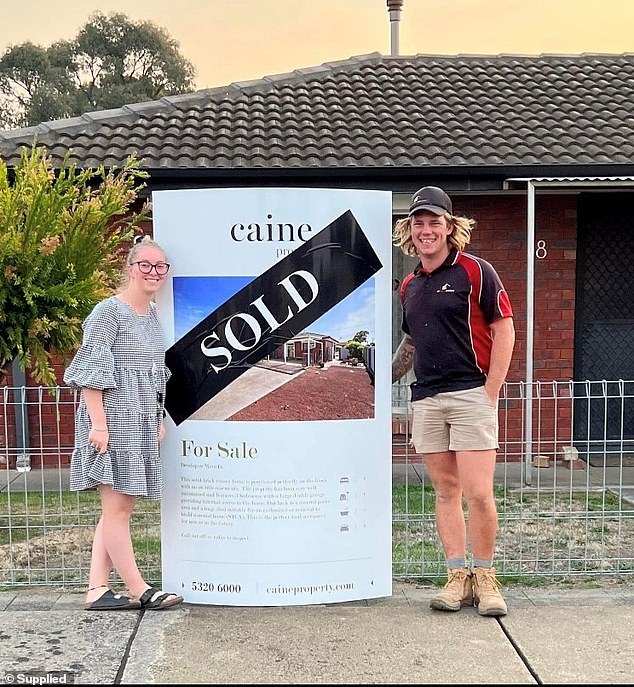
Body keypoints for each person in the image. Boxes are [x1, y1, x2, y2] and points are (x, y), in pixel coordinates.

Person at [392, 186, 515, 617]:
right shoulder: (409, 285)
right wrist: (377, 381)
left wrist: (491, 391)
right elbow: (411, 344)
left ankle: (486, 577)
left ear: (449, 227)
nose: (426, 230)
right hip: (427, 399)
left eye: (434, 222)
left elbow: (505, 330)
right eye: (418, 223)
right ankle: (456, 577)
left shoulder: (476, 272)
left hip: (470, 394)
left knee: (479, 492)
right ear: (410, 230)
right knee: (446, 491)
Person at [64, 236, 183, 611]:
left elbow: (152, 374)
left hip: (140, 419)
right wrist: (99, 427)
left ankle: (97, 589)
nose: (153, 272)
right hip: (112, 421)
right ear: (130, 268)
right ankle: (139, 589)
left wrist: (157, 417)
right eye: (145, 265)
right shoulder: (107, 313)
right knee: (119, 509)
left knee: (115, 509)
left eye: (160, 266)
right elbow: (89, 373)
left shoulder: (149, 316)